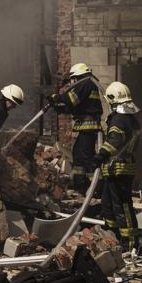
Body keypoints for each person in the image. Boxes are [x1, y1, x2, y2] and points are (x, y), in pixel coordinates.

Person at [96, 81, 141, 250]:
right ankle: (113, 235)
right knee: (108, 204)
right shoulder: (129, 118)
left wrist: (100, 155)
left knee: (122, 206)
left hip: (119, 169)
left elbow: (114, 140)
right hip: (115, 169)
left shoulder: (119, 120)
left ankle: (129, 243)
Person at [51, 63, 105, 194]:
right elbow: (73, 105)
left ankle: (96, 188)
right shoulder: (85, 86)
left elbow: (70, 99)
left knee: (87, 157)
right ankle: (79, 185)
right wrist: (59, 106)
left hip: (89, 126)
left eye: (73, 79)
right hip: (84, 127)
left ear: (77, 77)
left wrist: (58, 97)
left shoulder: (86, 84)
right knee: (78, 155)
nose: (72, 82)